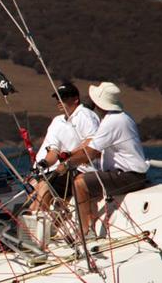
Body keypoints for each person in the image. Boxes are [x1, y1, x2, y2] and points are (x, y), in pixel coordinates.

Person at [54, 82, 149, 239]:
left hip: (129, 176)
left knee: (79, 183)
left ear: (99, 104)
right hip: (132, 174)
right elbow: (94, 150)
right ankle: (89, 223)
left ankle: (85, 232)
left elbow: (91, 152)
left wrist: (67, 164)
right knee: (87, 179)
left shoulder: (111, 122)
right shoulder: (124, 117)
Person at [30, 82, 100, 212]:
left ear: (75, 99)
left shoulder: (85, 115)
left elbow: (93, 142)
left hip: (81, 169)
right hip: (63, 170)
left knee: (45, 187)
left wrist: (70, 154)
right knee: (34, 190)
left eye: (64, 98)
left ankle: (38, 222)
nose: (59, 101)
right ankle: (32, 223)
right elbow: (53, 151)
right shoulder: (57, 121)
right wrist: (44, 163)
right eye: (57, 98)